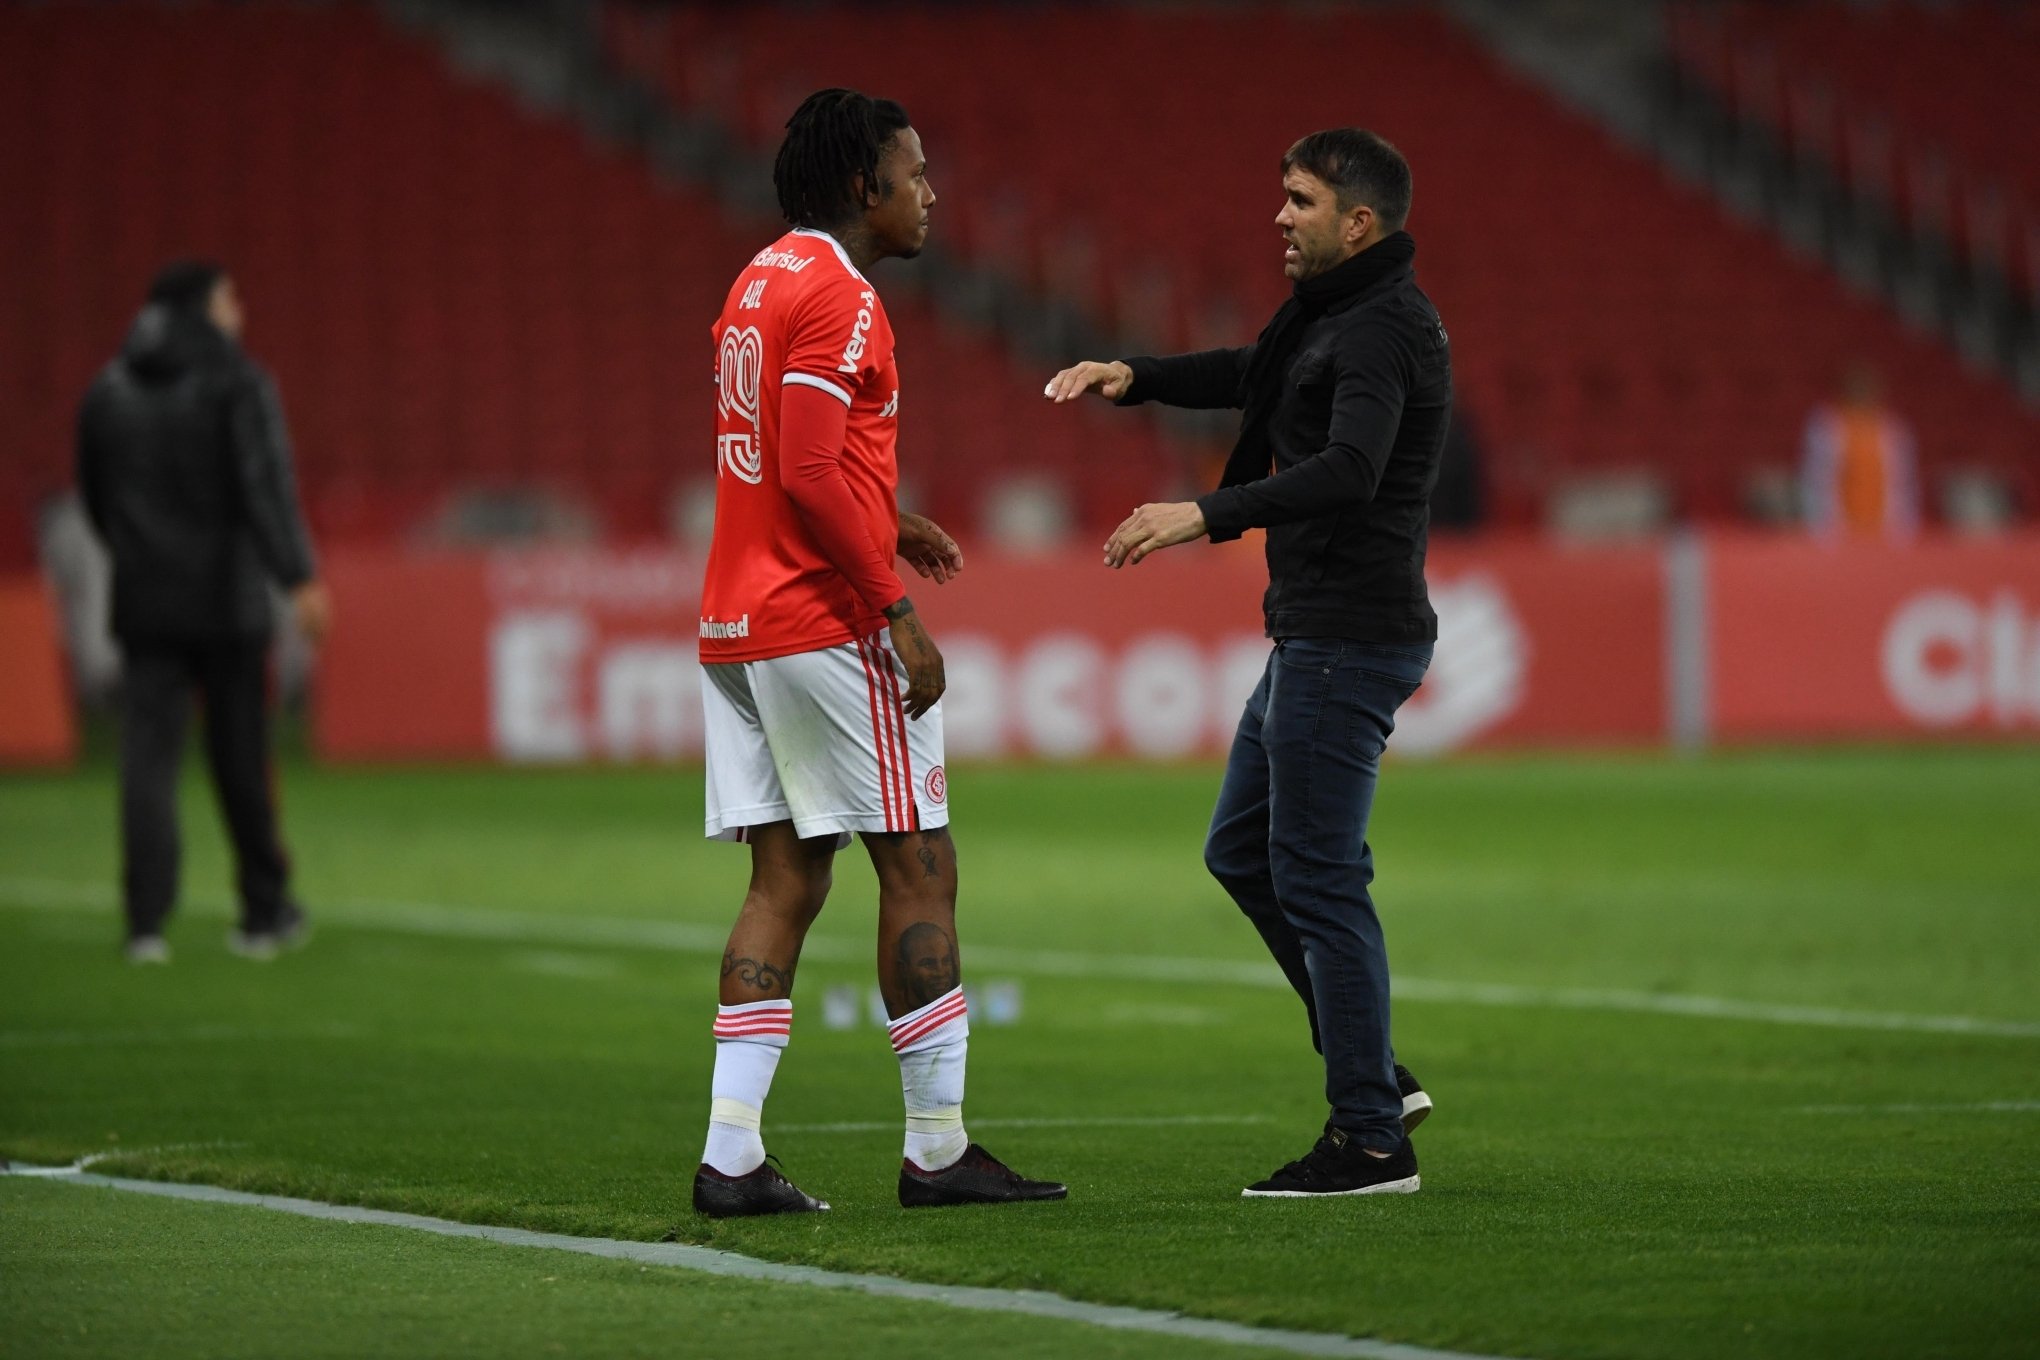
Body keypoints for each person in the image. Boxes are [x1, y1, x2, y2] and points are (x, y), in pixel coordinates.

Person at [1045, 128, 1450, 1197]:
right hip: (1315, 634)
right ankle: (1372, 1074)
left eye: (1300, 200)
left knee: (1318, 876)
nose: (1279, 215)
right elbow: (1254, 375)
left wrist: (1205, 514)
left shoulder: (1380, 329)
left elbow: (1351, 469)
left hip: (1347, 636)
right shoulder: (1329, 314)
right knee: (1243, 851)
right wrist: (1132, 374)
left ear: (1357, 223)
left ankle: (1369, 1137)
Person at [692, 89, 1064, 1218]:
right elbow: (804, 469)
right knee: (921, 869)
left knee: (786, 878)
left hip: (735, 620)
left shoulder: (757, 280)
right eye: (914, 172)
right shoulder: (844, 297)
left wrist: (883, 511)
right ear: (866, 187)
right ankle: (939, 1150)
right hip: (821, 620)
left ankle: (732, 1154)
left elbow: (777, 455)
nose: (930, 193)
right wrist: (892, 604)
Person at [75, 260, 331, 964]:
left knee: (147, 760)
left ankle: (145, 924)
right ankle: (262, 911)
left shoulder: (108, 389)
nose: (239, 309)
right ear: (201, 308)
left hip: (144, 599)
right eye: (229, 296)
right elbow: (263, 484)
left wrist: (135, 554)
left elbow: (95, 497)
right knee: (241, 757)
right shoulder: (239, 382)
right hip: (227, 599)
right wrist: (298, 577)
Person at [1800, 364, 1919, 540]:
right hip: (1839, 525)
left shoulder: (1892, 428)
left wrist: (1904, 522)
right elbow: (1817, 476)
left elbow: (1903, 479)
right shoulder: (1827, 424)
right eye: (1856, 388)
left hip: (1884, 523)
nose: (1861, 394)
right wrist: (1821, 523)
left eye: (1866, 389)